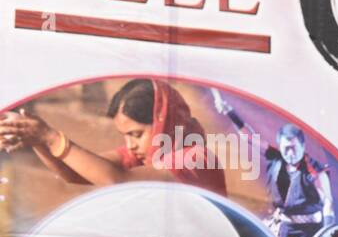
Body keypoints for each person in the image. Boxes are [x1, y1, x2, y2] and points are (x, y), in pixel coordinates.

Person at [0, 78, 228, 196]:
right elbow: (73, 173)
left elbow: (116, 179)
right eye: (126, 136)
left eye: (136, 134)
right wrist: (36, 140)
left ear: (163, 123)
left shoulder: (195, 158)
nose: (130, 145)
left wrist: (49, 137)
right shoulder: (146, 156)